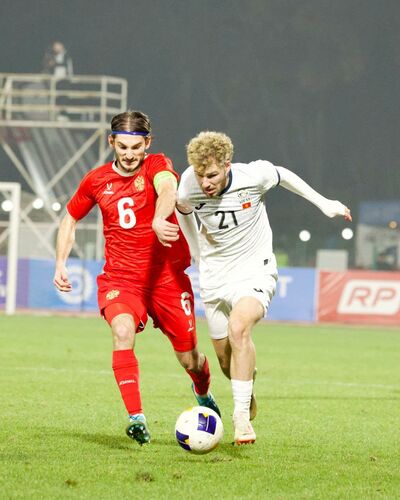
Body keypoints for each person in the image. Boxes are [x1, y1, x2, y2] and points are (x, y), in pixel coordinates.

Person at [53, 111, 220, 446]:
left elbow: (168, 188)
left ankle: (202, 390)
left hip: (167, 280)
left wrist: (159, 218)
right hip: (122, 279)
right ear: (111, 142)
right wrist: (60, 262)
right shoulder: (96, 180)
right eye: (123, 147)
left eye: (136, 147)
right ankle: (136, 418)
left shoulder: (157, 164)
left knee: (190, 358)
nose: (129, 154)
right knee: (122, 331)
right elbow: (70, 218)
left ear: (147, 144)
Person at [176, 131, 352, 445]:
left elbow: (282, 174)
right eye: (201, 175)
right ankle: (247, 385)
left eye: (212, 175)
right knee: (226, 362)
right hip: (214, 277)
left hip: (254, 270)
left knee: (239, 327)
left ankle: (241, 417)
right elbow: (183, 209)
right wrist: (196, 252)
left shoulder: (252, 176)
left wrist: (324, 204)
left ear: (227, 165)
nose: (205, 183)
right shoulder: (189, 183)